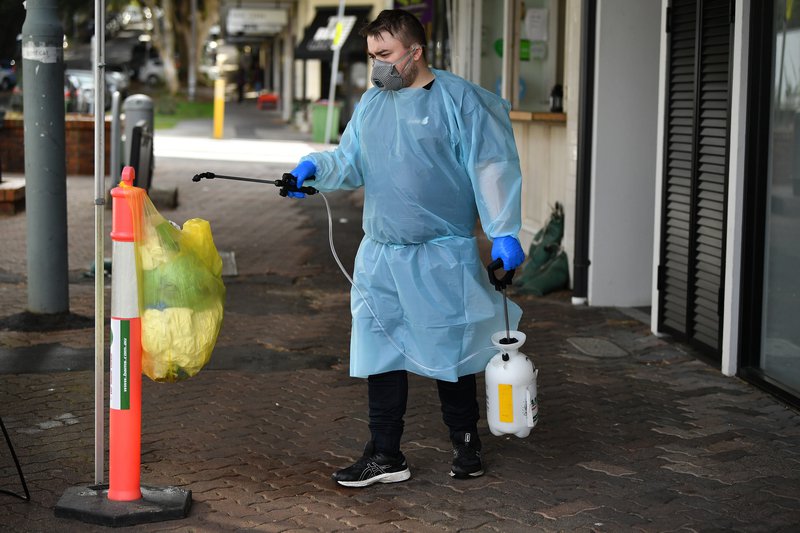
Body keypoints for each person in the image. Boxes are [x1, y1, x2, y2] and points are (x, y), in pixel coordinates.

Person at [285, 9, 525, 487]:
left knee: (450, 353)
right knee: (381, 351)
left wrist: (503, 230)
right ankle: (386, 454)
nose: (377, 66)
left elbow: (492, 165)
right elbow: (350, 161)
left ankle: (466, 444)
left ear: (416, 51)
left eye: (385, 55)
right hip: (381, 254)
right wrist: (314, 168)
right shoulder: (373, 104)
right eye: (372, 55)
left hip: (442, 254)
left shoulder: (460, 102)